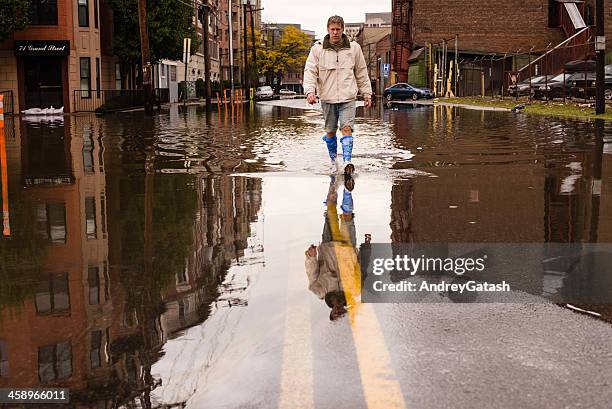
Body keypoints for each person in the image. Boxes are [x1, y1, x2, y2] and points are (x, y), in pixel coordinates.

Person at [303, 15, 373, 176]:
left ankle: (347, 161)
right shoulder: (317, 49)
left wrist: (367, 93)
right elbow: (310, 71)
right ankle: (334, 161)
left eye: (338, 29)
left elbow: (361, 72)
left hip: (348, 97)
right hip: (327, 98)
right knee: (330, 132)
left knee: (347, 129)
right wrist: (310, 91)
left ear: (343, 30)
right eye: (332, 29)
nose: (335, 32)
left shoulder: (354, 48)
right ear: (328, 30)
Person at [304, 176, 362, 320]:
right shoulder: (354, 290)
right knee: (347, 216)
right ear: (345, 310)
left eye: (335, 313)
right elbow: (361, 268)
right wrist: (367, 249)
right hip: (347, 247)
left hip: (328, 245)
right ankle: (348, 190)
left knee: (330, 210)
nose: (338, 310)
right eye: (341, 313)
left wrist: (311, 257)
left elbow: (312, 273)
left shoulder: (319, 291)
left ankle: (334, 182)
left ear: (330, 313)